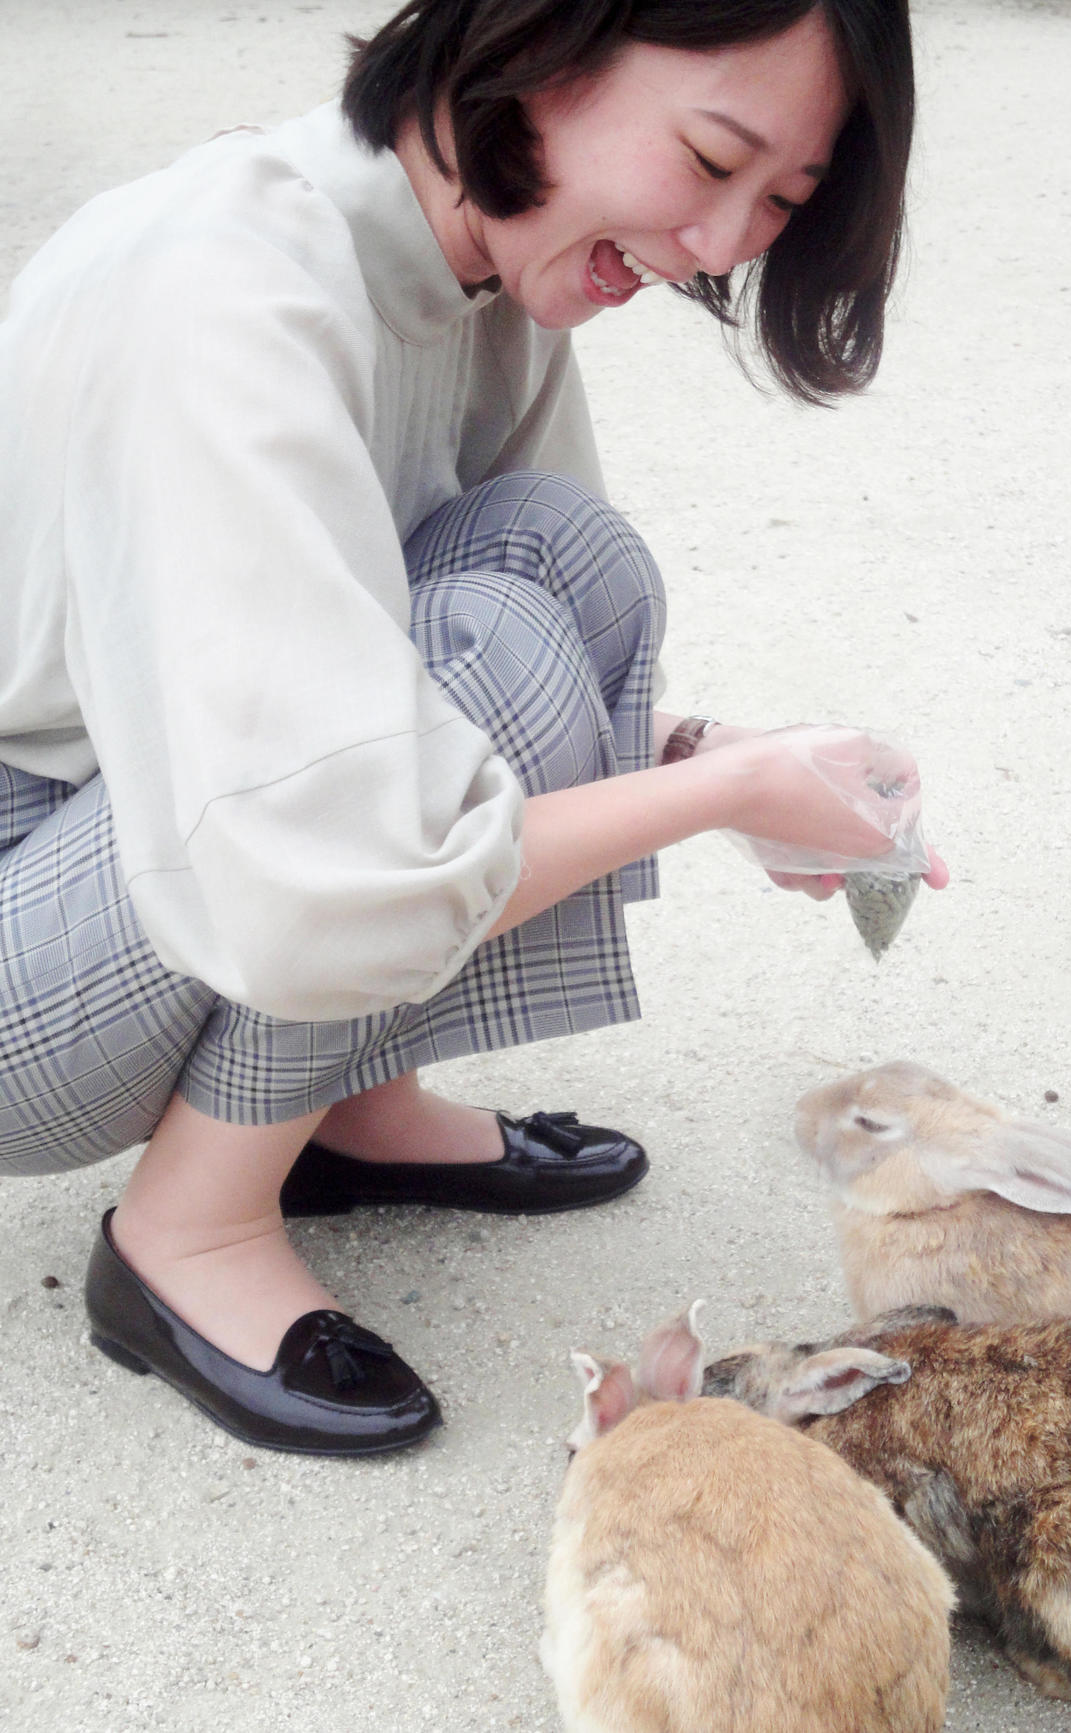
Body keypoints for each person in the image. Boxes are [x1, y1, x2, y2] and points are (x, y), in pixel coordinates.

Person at [0, 0, 944, 1456]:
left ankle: (348, 1106)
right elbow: (358, 821)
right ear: (540, 49)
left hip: (119, 840)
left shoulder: (473, 273)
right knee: (487, 650)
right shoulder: (225, 291)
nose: (721, 245)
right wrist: (718, 791)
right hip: (22, 935)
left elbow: (526, 678)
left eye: (780, 204)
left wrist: (735, 771)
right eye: (711, 159)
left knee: (569, 563)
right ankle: (183, 1235)